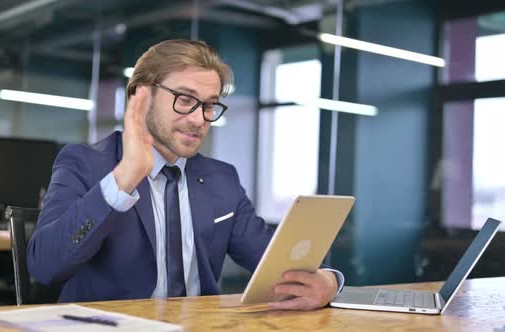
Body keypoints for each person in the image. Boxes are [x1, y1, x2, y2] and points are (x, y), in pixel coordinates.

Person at [27, 39, 343, 310]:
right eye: (186, 100)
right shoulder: (84, 163)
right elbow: (44, 266)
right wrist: (124, 177)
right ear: (141, 95)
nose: (198, 119)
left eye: (209, 105)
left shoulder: (222, 179)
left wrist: (329, 281)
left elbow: (275, 262)